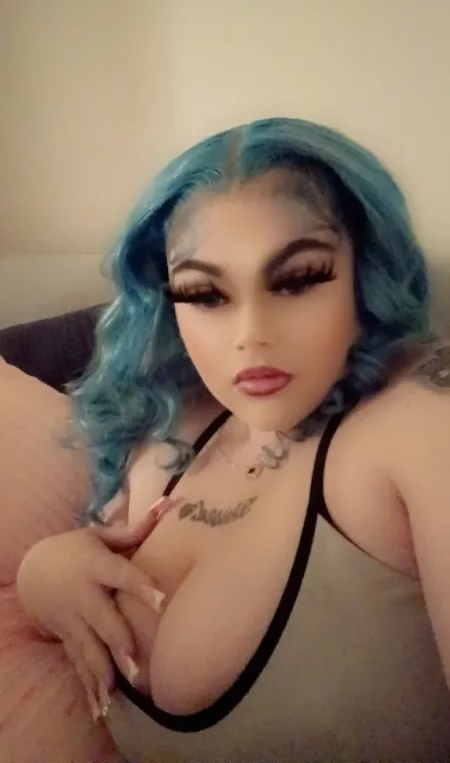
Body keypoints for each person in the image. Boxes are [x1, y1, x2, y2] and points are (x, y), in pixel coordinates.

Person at [17, 117, 450, 761]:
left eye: (298, 279)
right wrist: (41, 573)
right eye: (204, 292)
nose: (251, 334)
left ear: (366, 271)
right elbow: (90, 551)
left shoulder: (422, 420)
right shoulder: (170, 434)